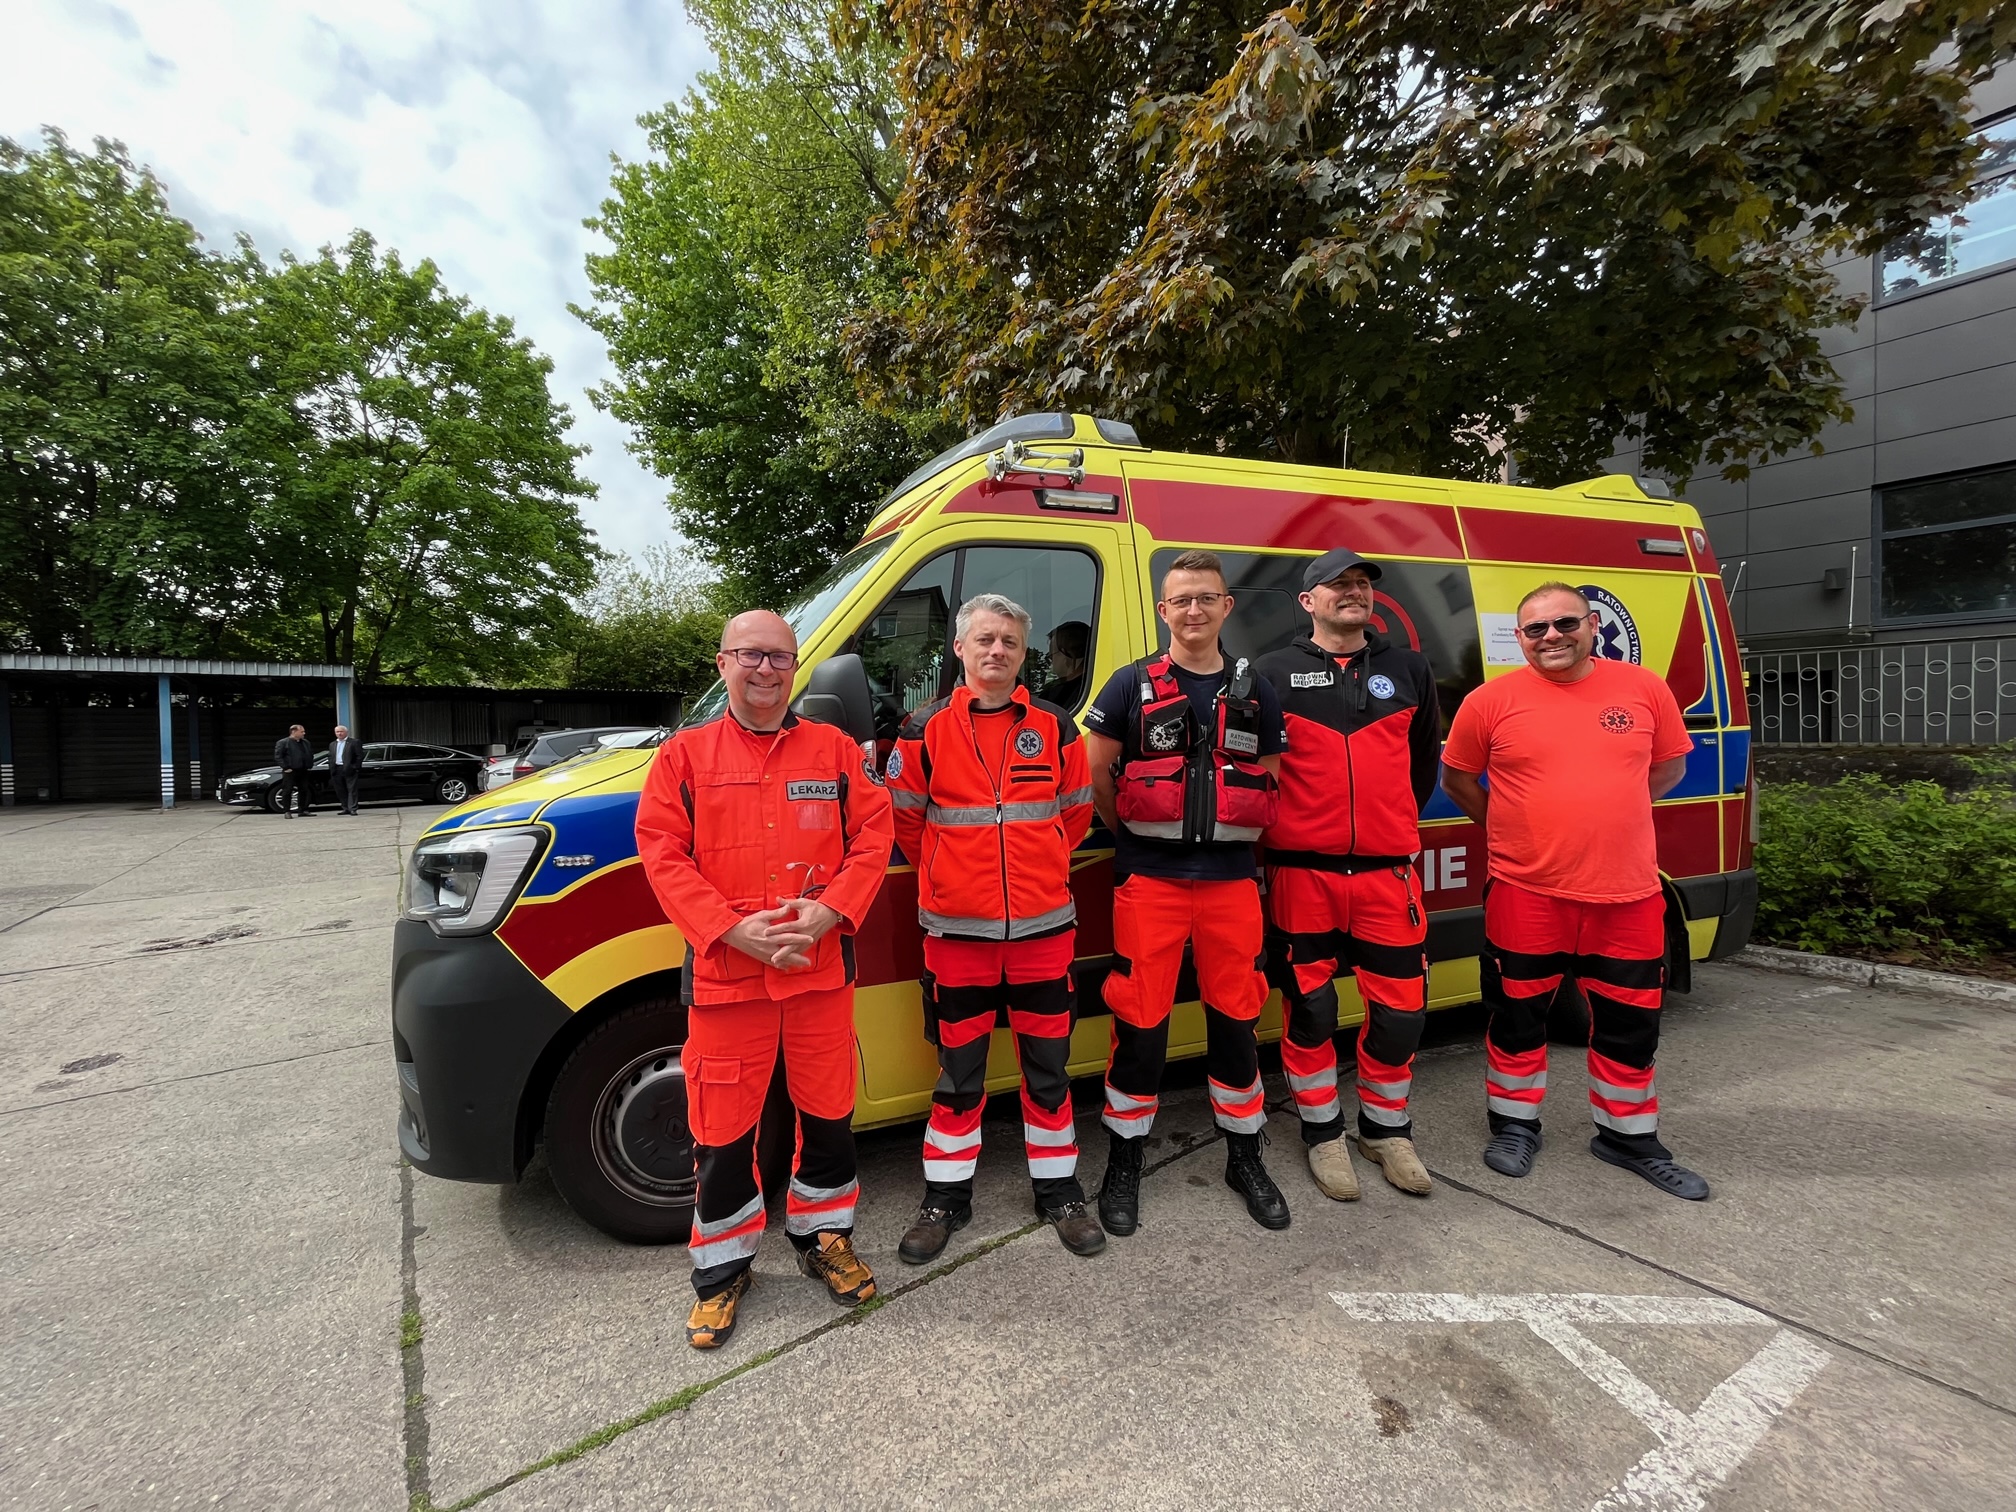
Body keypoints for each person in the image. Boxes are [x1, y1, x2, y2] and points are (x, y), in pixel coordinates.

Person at [635, 610, 897, 1348]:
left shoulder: (836, 752)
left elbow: (873, 836)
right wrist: (731, 930)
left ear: (795, 668)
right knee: (722, 1131)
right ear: (723, 663)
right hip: (728, 978)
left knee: (829, 1117)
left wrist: (829, 912)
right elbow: (662, 854)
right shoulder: (682, 758)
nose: (766, 670)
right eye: (750, 655)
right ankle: (722, 1271)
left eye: (780, 657)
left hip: (818, 972)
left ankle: (824, 1238)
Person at [1440, 582, 1709, 1201]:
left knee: (1630, 1024)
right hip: (1525, 891)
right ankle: (1514, 1126)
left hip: (1628, 894)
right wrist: (1513, 826)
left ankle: (1628, 1138)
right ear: (1520, 638)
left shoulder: (1644, 689)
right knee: (1515, 1017)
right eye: (1535, 629)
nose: (1551, 637)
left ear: (1591, 625)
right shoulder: (1489, 702)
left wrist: (1610, 813)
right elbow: (1457, 780)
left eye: (1564, 623)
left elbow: (1668, 767)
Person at [887, 593, 1104, 1263]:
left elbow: (1075, 815)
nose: (997, 651)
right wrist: (957, 878)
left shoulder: (1056, 727)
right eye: (984, 639)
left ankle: (1059, 1191)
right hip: (958, 937)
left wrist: (1035, 867)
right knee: (958, 1077)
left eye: (1010, 641)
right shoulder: (921, 730)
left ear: (1022, 653)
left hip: (1044, 933)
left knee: (1049, 1073)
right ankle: (945, 1199)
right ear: (959, 648)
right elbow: (907, 823)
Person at [1083, 549, 1290, 1234]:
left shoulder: (1256, 689)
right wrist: (1140, 836)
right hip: (1150, 881)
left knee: (1236, 1021)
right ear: (1164, 610)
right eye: (1182, 600)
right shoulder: (1129, 685)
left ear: (1226, 606)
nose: (1194, 610)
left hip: (1231, 884)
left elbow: (1267, 777)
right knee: (1139, 1026)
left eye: (1206, 597)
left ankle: (1244, 1155)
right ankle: (1124, 1159)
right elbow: (1096, 775)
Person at [1255, 548, 1441, 1203]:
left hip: (1387, 877)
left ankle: (1386, 1132)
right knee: (1310, 1011)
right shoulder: (1271, 672)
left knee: (1401, 1013)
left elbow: (1421, 768)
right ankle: (1323, 1133)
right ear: (1309, 601)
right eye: (1338, 585)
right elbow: (1258, 773)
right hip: (1302, 875)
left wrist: (1385, 826)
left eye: (1362, 583)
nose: (1354, 592)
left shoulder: (1409, 668)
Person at [1035, 619, 1091, 710]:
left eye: (1051, 656)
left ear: (1066, 655)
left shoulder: (1056, 696)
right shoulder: (1090, 689)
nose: (1051, 662)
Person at [274, 724, 314, 818]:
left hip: (303, 769)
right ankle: (287, 811)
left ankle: (302, 810)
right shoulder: (283, 742)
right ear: (294, 732)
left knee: (304, 790)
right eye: (302, 731)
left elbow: (310, 753)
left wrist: (309, 764)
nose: (304, 733)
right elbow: (278, 756)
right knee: (287, 790)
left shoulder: (305, 742)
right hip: (290, 770)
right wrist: (285, 767)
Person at [328, 725, 363, 815]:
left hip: (349, 769)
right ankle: (345, 808)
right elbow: (331, 757)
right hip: (337, 769)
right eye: (337, 732)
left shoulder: (354, 742)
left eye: (341, 731)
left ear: (346, 732)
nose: (339, 733)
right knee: (340, 790)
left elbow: (359, 756)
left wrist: (355, 767)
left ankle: (353, 808)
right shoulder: (332, 744)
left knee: (351, 789)